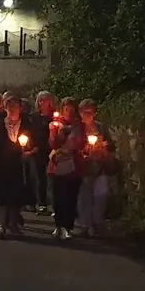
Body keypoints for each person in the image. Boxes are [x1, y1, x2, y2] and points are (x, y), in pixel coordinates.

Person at [0, 95, 34, 239]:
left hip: (18, 166)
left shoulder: (26, 125)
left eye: (15, 106)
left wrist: (29, 152)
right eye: (9, 106)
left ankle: (13, 224)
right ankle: (2, 225)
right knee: (2, 196)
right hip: (1, 166)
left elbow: (34, 143)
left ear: (20, 108)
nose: (12, 109)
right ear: (5, 108)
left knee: (16, 196)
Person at [77, 99, 116, 237]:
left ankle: (98, 224)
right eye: (85, 112)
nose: (88, 115)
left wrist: (104, 146)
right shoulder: (78, 128)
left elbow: (111, 145)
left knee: (100, 197)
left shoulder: (101, 127)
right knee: (85, 197)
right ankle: (85, 225)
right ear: (80, 113)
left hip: (101, 167)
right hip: (85, 168)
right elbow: (73, 145)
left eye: (90, 112)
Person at [48, 97, 83, 240]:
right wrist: (58, 133)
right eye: (66, 109)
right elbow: (53, 144)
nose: (69, 112)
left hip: (74, 165)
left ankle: (68, 226)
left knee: (71, 197)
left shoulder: (79, 126)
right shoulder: (56, 124)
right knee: (58, 197)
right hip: (57, 165)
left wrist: (73, 149)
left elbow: (81, 143)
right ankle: (59, 225)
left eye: (71, 110)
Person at [29, 91, 55, 214]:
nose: (43, 103)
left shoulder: (54, 117)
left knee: (52, 178)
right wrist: (32, 146)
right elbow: (30, 133)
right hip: (38, 150)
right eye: (41, 100)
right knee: (40, 178)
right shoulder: (34, 117)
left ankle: (54, 204)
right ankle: (41, 203)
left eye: (46, 100)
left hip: (51, 151)